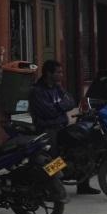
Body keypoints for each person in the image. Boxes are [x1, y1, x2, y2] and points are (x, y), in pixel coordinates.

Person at [30, 60, 100, 195]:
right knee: (54, 158)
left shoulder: (58, 87)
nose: (61, 75)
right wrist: (60, 107)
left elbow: (71, 102)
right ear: (49, 73)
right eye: (58, 72)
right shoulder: (37, 91)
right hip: (47, 130)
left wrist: (57, 107)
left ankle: (83, 185)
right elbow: (48, 112)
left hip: (62, 126)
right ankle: (50, 187)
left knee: (81, 147)